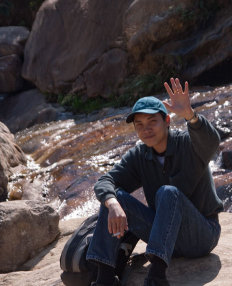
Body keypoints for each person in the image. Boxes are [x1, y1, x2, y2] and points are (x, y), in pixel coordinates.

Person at [86, 78, 224, 286]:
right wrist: (112, 203)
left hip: (200, 236)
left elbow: (212, 141)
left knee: (168, 192)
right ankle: (105, 278)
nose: (146, 129)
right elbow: (106, 181)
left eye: (152, 122)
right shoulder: (139, 155)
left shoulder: (188, 144)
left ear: (167, 121)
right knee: (114, 197)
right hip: (166, 237)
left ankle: (157, 277)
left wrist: (190, 115)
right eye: (139, 125)